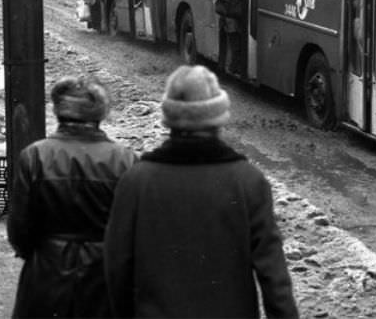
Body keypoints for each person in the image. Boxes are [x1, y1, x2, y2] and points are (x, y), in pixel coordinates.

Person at [104, 65, 298, 318]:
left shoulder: (136, 182)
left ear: (169, 119)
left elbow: (116, 266)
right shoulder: (248, 181)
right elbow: (274, 276)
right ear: (219, 118)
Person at [7, 75, 137, 318]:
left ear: (58, 110)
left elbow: (19, 228)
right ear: (100, 113)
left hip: (47, 270)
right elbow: (132, 231)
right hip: (103, 274)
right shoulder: (125, 159)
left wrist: (38, 253)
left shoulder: (35, 155)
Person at [210, 0, 244, 77]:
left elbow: (216, 1)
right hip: (233, 17)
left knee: (232, 42)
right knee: (236, 43)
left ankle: (228, 67)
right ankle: (234, 67)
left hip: (225, 16)